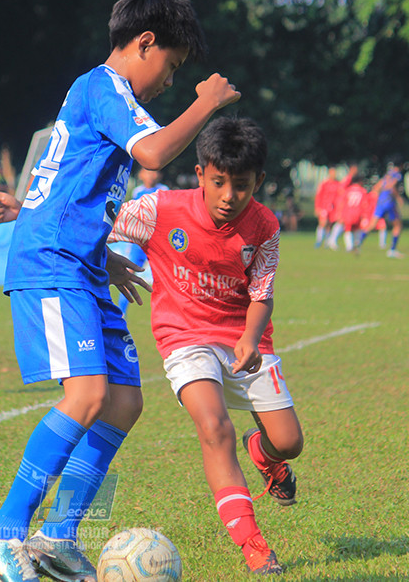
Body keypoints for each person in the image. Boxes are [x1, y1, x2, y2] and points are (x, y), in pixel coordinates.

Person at [0, 0, 240, 582]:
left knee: (123, 401)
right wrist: (206, 103)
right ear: (144, 43)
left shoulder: (104, 95)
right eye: (169, 67)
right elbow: (153, 155)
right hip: (53, 264)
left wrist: (107, 254)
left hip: (85, 263)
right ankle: (4, 530)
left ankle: (57, 536)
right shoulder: (104, 87)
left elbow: (68, 182)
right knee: (87, 394)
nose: (169, 81)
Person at [107, 116, 298, 575]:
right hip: (183, 337)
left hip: (243, 339)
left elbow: (262, 294)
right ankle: (253, 544)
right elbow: (93, 222)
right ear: (200, 175)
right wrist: (23, 209)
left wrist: (251, 339)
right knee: (215, 428)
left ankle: (265, 456)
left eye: (242, 186)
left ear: (260, 183)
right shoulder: (159, 210)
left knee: (289, 442)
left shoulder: (265, 226)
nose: (229, 196)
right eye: (218, 183)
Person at [108, 166, 168, 315]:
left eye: (155, 172)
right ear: (141, 174)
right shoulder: (137, 192)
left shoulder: (164, 191)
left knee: (165, 279)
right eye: (148, 171)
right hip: (138, 244)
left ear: (159, 175)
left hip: (158, 242)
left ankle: (166, 316)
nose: (151, 175)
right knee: (127, 276)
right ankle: (121, 314)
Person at [360, 163, 404, 258]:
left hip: (380, 203)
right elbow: (392, 187)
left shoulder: (387, 174)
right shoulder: (397, 174)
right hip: (389, 202)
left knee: (372, 224)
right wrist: (398, 198)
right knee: (397, 225)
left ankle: (358, 243)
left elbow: (376, 187)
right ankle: (392, 250)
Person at [313, 167, 340, 249]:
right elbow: (318, 196)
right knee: (323, 223)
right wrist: (317, 207)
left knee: (329, 224)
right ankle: (319, 240)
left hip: (333, 208)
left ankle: (327, 242)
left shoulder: (337, 184)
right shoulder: (324, 184)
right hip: (324, 206)